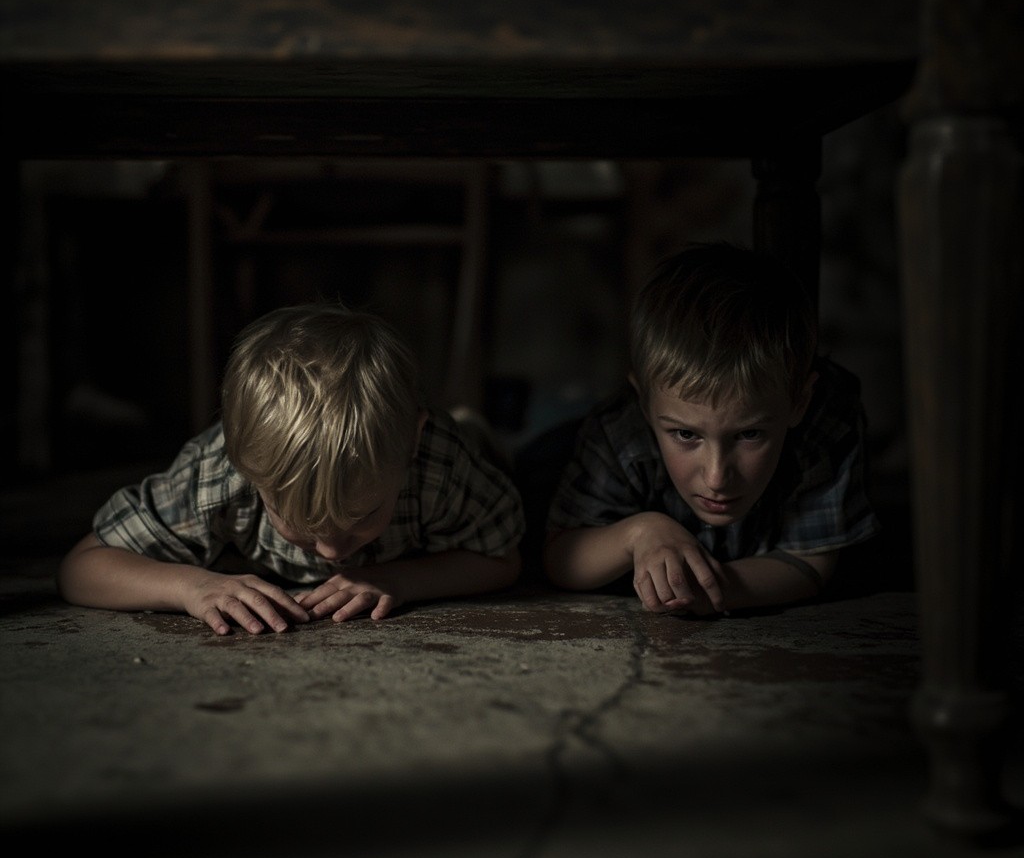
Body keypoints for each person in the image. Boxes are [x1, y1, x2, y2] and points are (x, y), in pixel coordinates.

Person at [58, 302, 525, 635]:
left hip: (466, 453)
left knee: (495, 454)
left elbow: (502, 557)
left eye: (361, 517)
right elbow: (81, 569)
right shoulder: (218, 474)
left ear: (412, 447)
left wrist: (402, 579)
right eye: (301, 526)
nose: (331, 551)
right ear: (246, 471)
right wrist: (192, 586)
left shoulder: (438, 463)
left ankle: (475, 426)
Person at [542, 241, 880, 617]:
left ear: (798, 403)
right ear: (644, 404)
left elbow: (810, 563)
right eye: (686, 434)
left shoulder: (826, 423)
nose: (717, 476)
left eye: (749, 434)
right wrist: (639, 533)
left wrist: (711, 591)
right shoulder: (618, 433)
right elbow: (560, 557)